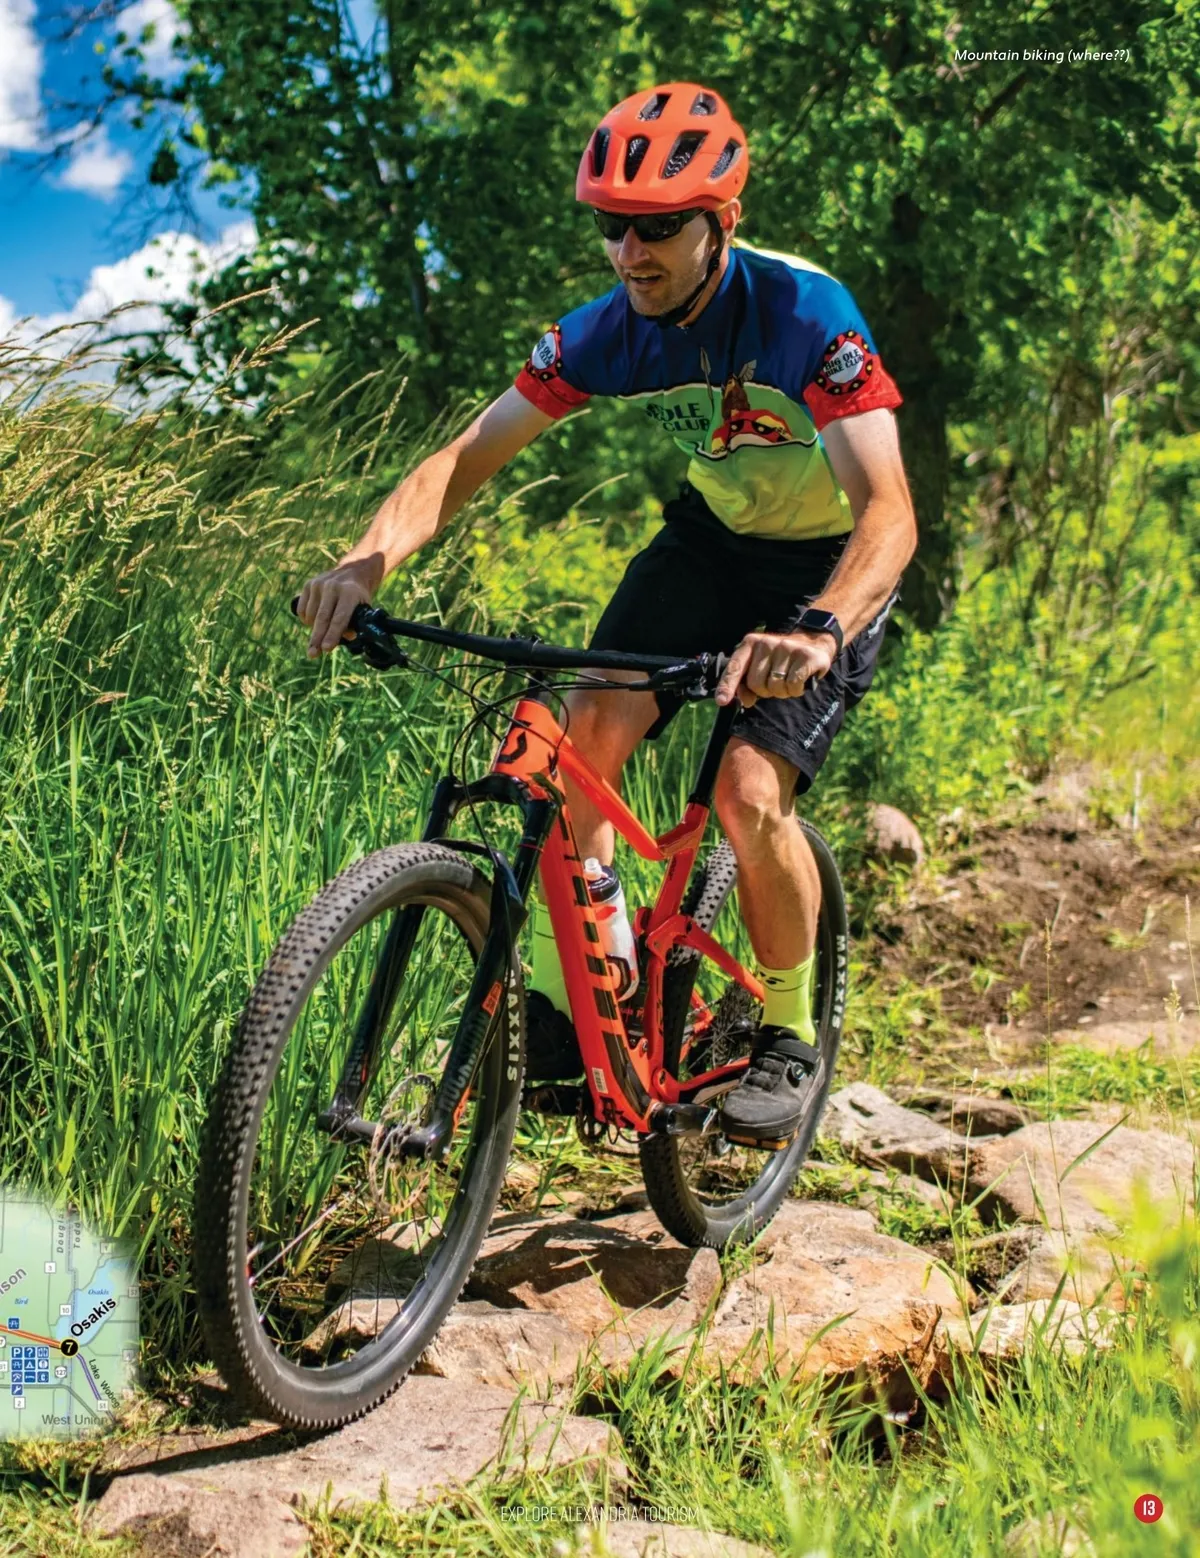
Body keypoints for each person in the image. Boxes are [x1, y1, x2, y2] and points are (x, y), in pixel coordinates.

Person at [297, 82, 917, 1147]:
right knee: (579, 742)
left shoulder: (807, 316)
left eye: (659, 226)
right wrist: (364, 565)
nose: (631, 252)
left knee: (747, 791)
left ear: (721, 222)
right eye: (611, 226)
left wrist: (819, 628)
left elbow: (891, 515)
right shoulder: (604, 333)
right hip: (711, 542)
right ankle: (586, 991)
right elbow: (464, 459)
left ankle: (787, 1030)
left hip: (828, 564)